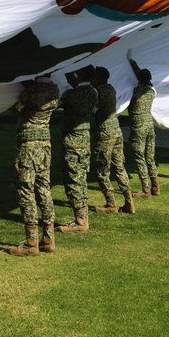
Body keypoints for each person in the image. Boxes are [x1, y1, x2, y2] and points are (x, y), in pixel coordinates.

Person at [8, 74, 60, 255]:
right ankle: (48, 238)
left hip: (28, 145)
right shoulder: (55, 90)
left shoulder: (31, 91)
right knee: (44, 188)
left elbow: (17, 109)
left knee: (26, 190)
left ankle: (31, 243)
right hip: (45, 145)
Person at [58, 67, 98, 233]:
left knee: (73, 178)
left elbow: (59, 103)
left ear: (77, 74)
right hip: (85, 138)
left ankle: (80, 221)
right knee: (81, 177)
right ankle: (82, 217)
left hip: (72, 138)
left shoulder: (71, 94)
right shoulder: (94, 92)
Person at [92, 66, 135, 213]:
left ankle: (110, 203)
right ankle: (129, 202)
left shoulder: (100, 92)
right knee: (119, 167)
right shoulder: (111, 89)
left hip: (105, 133)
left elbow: (92, 110)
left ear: (97, 78)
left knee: (102, 170)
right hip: (116, 130)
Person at [128, 60, 159, 197]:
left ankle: (145, 189)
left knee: (139, 156)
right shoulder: (151, 90)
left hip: (138, 127)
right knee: (150, 157)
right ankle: (155, 187)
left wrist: (133, 64)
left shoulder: (135, 92)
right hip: (149, 126)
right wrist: (135, 66)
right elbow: (143, 79)